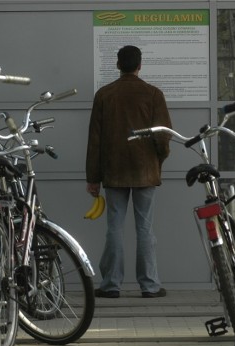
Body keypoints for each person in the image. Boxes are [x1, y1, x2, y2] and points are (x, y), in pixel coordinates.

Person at [86, 45, 172, 299]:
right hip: (145, 170)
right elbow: (163, 136)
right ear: (140, 65)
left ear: (117, 64)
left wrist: (93, 178)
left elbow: (95, 140)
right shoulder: (153, 94)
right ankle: (150, 286)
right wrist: (158, 159)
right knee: (145, 228)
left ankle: (111, 284)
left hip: (114, 171)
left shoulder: (104, 95)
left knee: (114, 227)